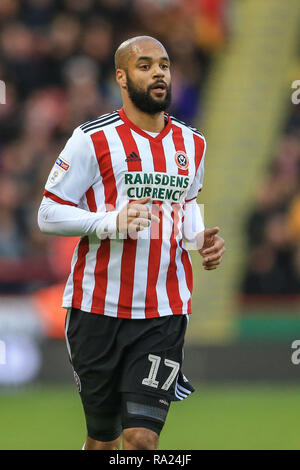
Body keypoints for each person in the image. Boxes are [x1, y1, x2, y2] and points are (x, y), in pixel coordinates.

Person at [38, 36, 225, 451]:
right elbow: (48, 214)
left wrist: (199, 240)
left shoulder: (193, 144)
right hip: (97, 309)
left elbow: (187, 204)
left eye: (164, 65)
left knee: (141, 439)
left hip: (164, 312)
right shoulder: (92, 139)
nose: (158, 72)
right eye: (145, 65)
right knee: (102, 441)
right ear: (121, 77)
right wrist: (112, 222)